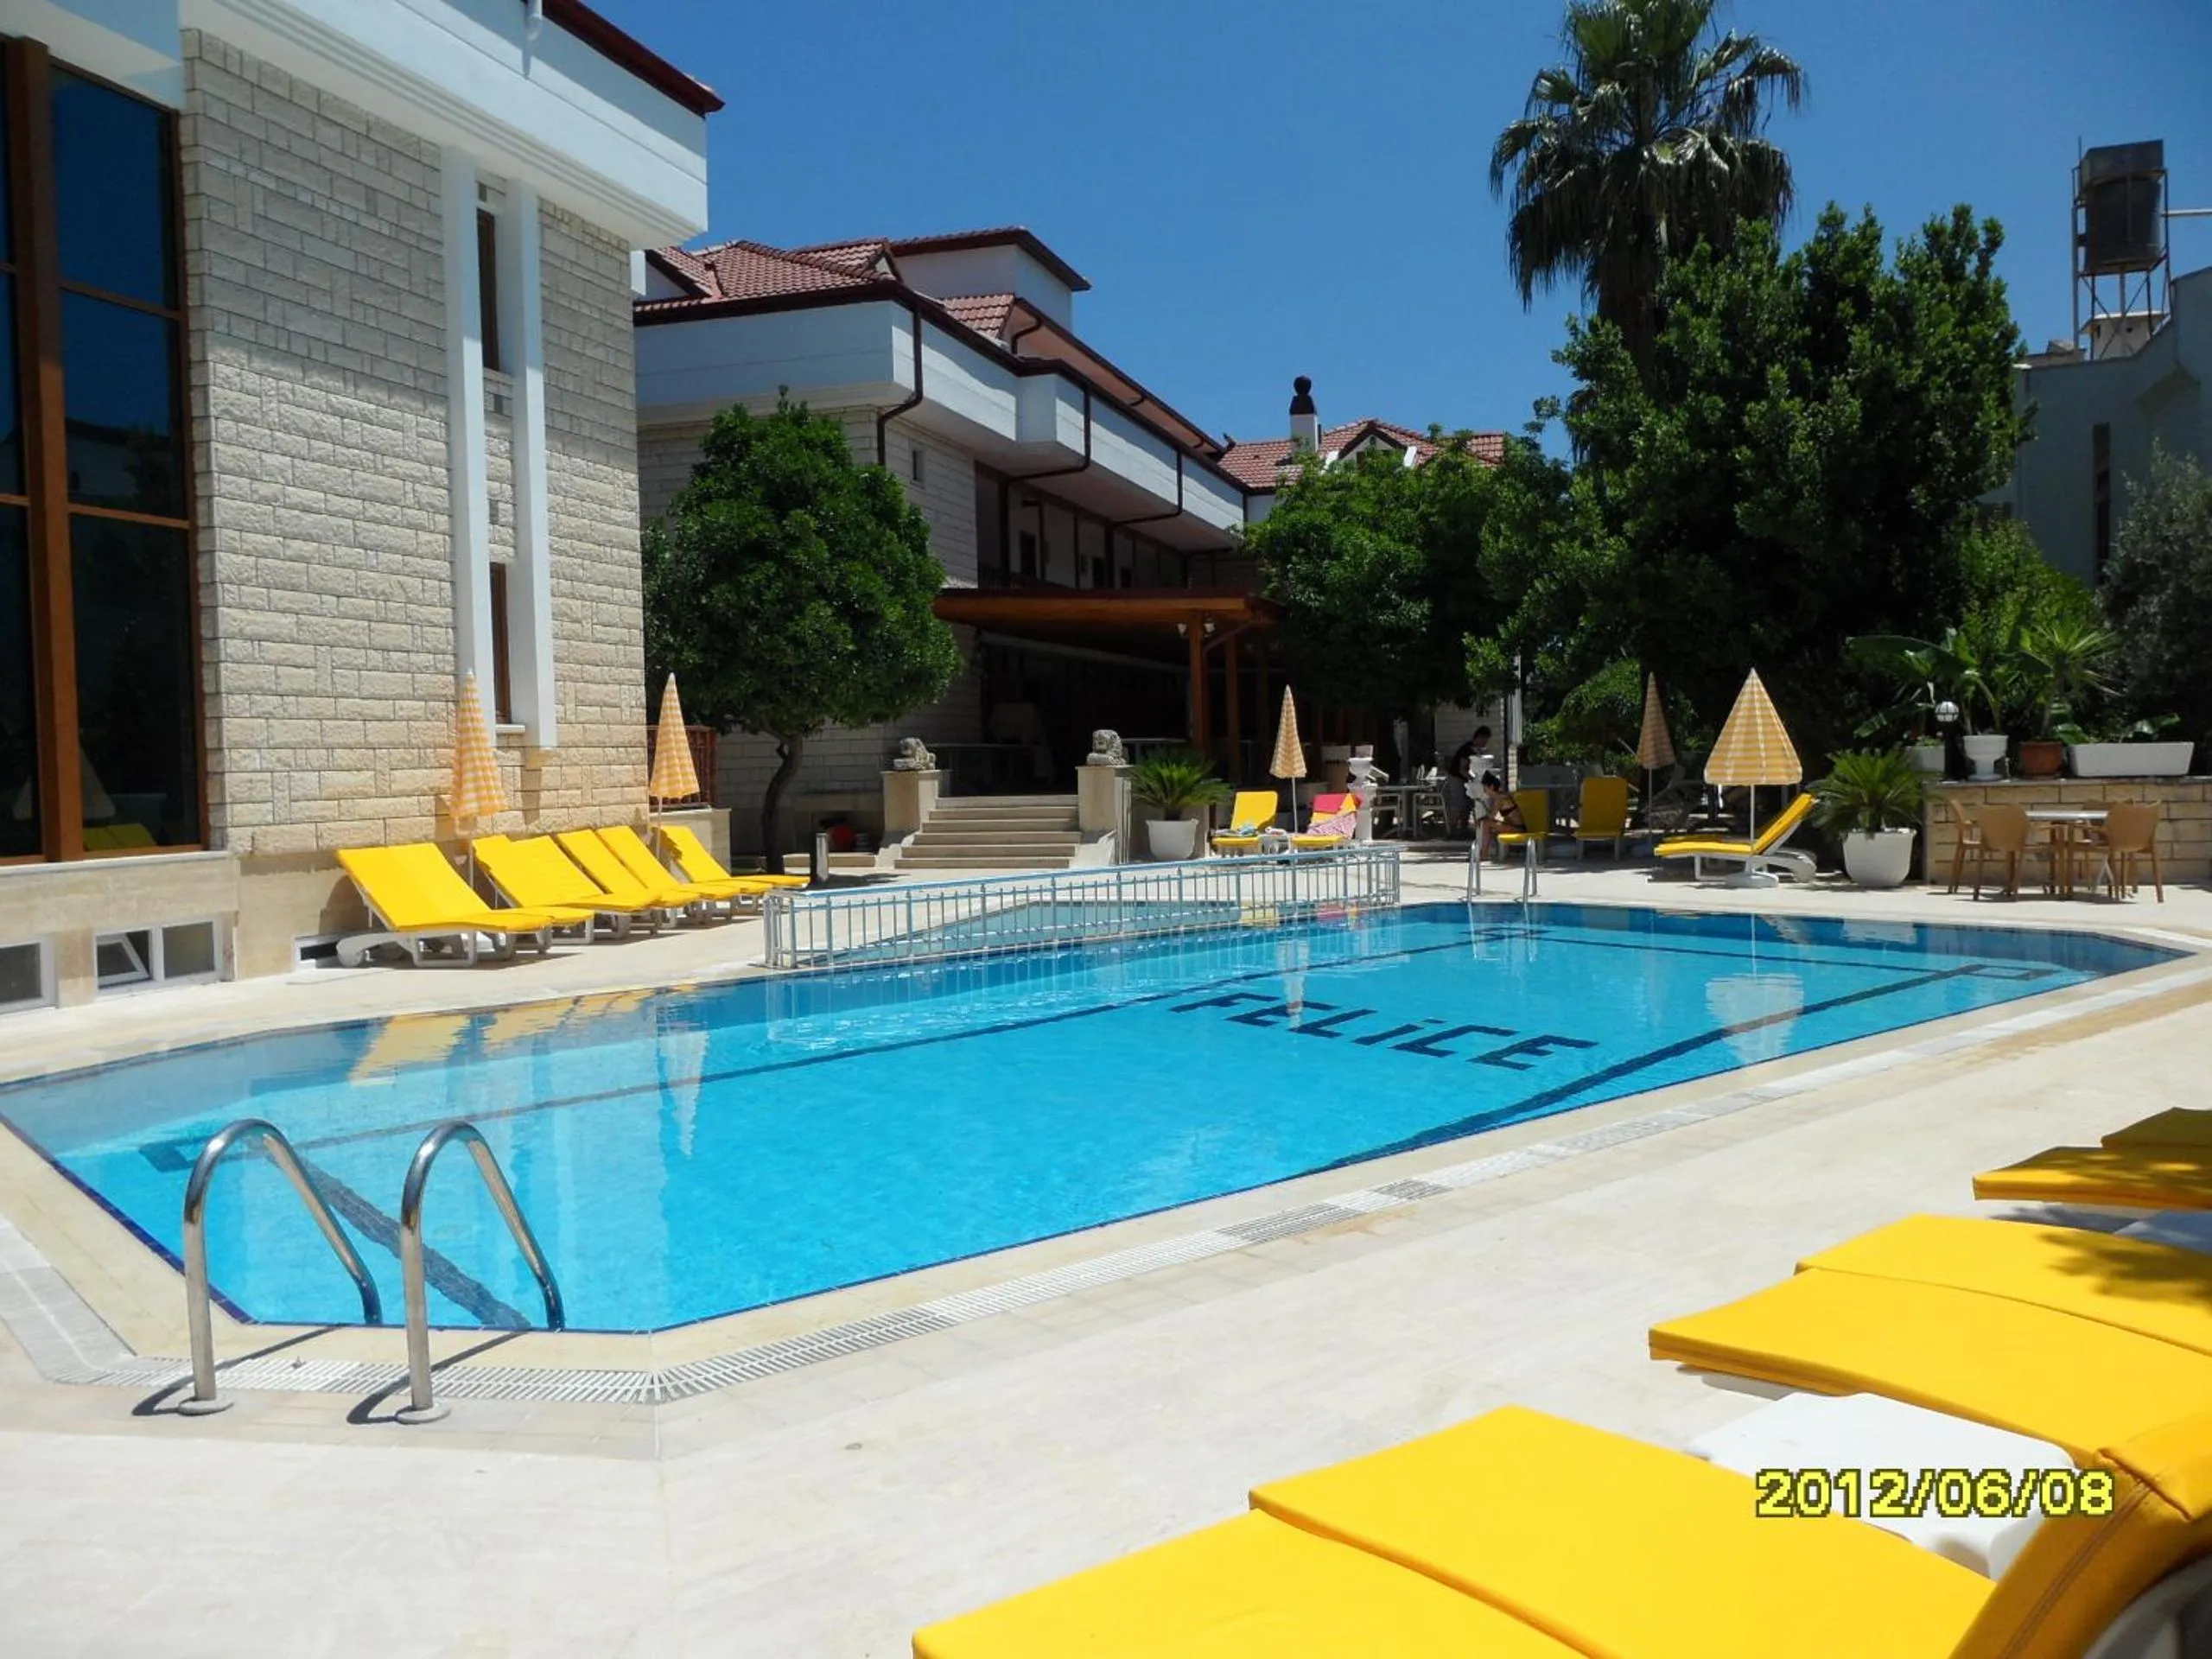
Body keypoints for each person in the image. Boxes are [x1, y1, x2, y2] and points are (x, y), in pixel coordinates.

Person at [1443, 725, 1492, 838]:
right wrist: (1474, 779)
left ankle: (1463, 830)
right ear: (1479, 737)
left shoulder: (1476, 750)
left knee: (1469, 804)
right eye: (1485, 740)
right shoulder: (1468, 749)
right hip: (1456, 777)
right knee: (1460, 804)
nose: (1485, 743)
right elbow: (1462, 769)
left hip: (1464, 778)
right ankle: (1452, 831)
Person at [1476, 771, 1524, 861]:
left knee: (1486, 824)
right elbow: (1496, 817)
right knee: (1487, 825)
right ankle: (1484, 852)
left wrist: (1481, 818)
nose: (1484, 791)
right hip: (1513, 826)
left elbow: (1491, 817)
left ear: (1491, 787)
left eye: (1485, 788)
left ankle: (1483, 854)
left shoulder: (1501, 799)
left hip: (1518, 828)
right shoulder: (1501, 797)